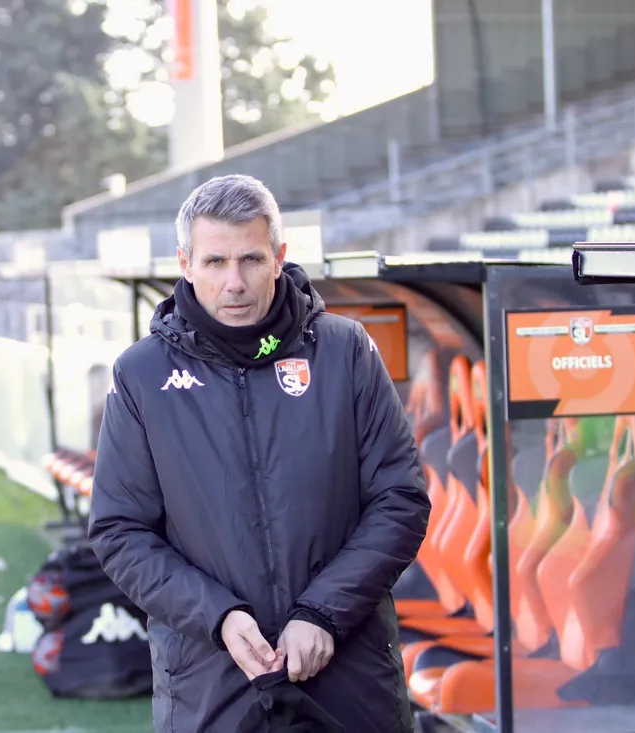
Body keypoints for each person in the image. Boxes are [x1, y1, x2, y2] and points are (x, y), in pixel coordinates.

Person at [88, 174, 431, 732]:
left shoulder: (345, 352)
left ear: (279, 256)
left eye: (250, 259)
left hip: (349, 675)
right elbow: (120, 530)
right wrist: (218, 617)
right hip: (211, 676)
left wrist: (323, 612)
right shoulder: (142, 374)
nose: (235, 283)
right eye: (215, 262)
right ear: (185, 263)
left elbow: (400, 499)